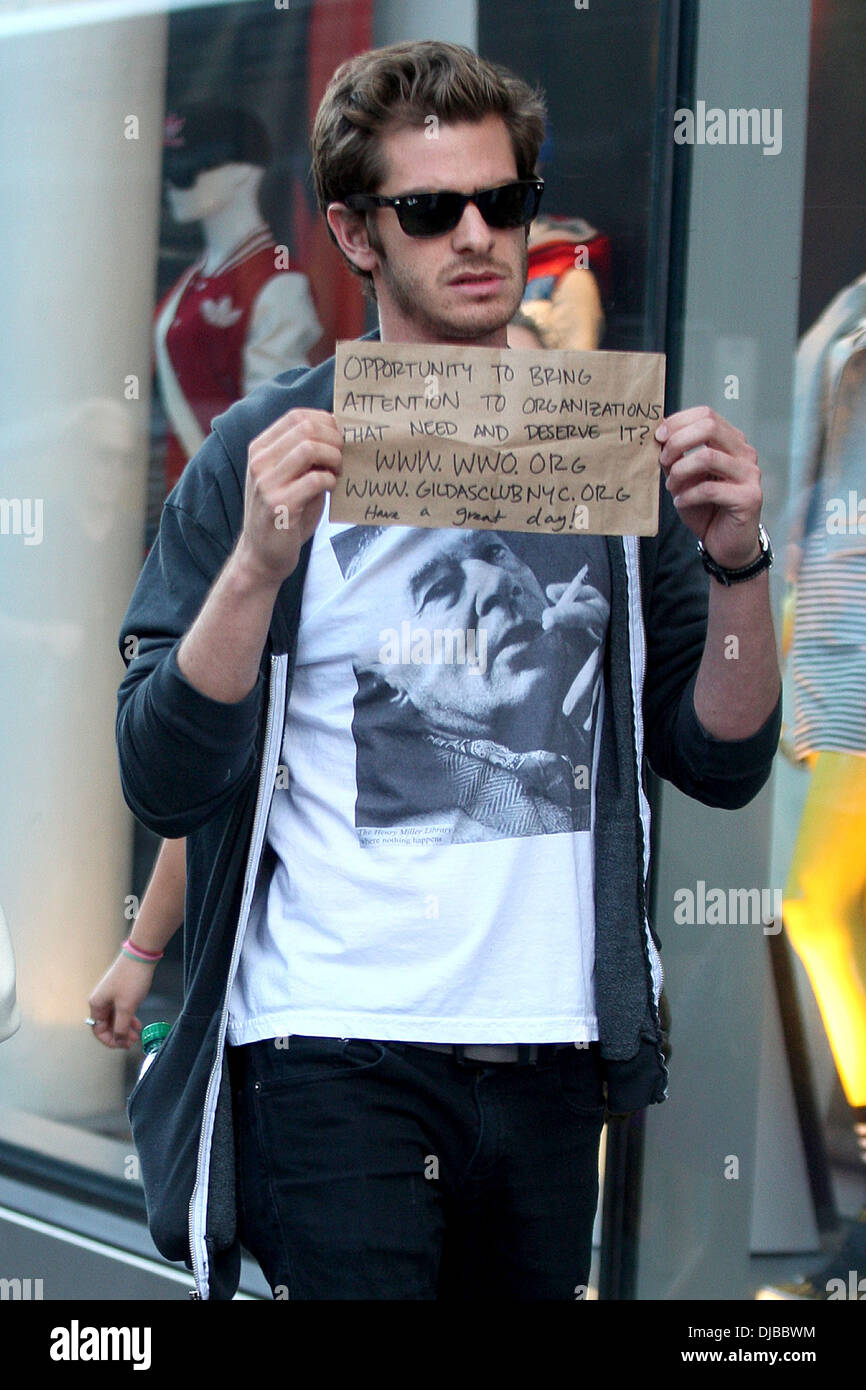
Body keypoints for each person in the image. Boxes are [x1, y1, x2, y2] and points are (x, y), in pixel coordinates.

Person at [114, 40, 782, 1301]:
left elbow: (722, 759)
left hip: (549, 1048)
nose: (479, 236)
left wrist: (742, 565)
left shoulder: (607, 446)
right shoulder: (266, 447)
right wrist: (256, 565)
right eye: (432, 210)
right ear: (355, 234)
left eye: (505, 201)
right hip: (330, 1048)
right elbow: (162, 767)